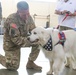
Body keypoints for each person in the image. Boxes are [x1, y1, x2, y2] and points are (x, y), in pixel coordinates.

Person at [0, 1, 42, 70]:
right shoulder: (12, 20)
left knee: (39, 42)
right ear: (18, 12)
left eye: (27, 13)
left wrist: (41, 38)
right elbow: (16, 40)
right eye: (23, 15)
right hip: (11, 45)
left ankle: (30, 63)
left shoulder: (29, 17)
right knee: (13, 67)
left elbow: (34, 31)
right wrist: (30, 41)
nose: (26, 17)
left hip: (22, 40)